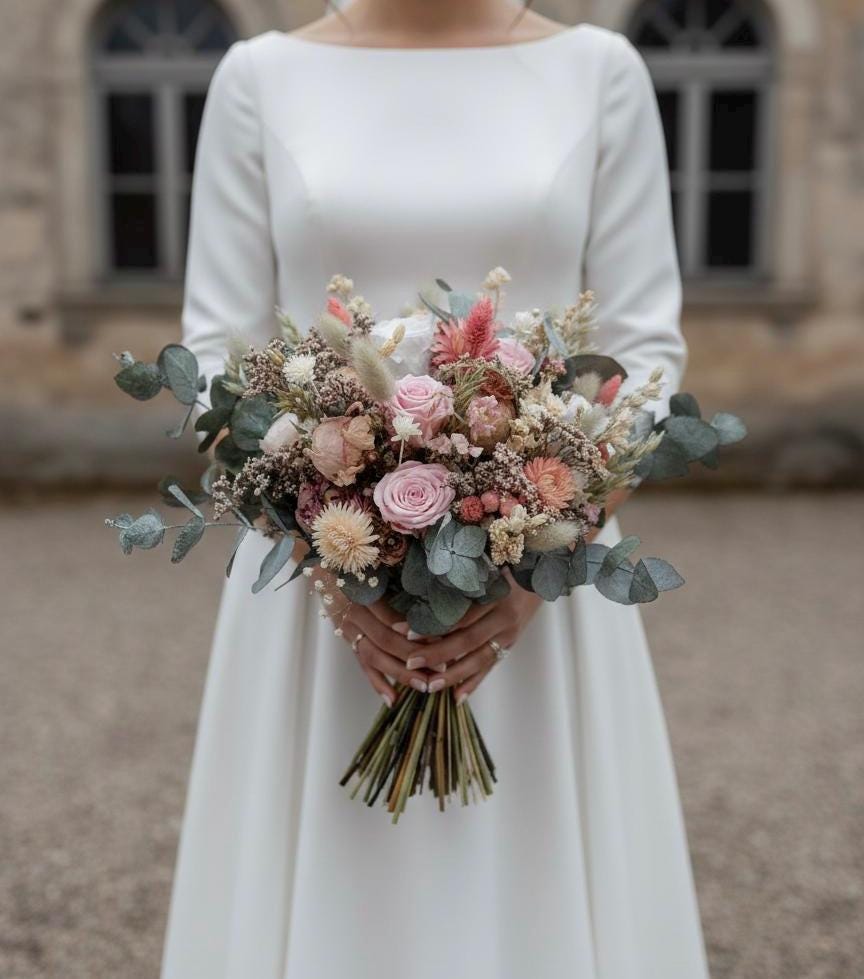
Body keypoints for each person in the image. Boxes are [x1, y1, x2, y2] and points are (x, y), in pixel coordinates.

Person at [161, 1, 710, 976]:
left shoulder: (600, 72)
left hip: (539, 588)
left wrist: (539, 552)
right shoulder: (259, 79)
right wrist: (326, 558)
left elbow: (645, 357)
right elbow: (216, 358)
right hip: (314, 588)